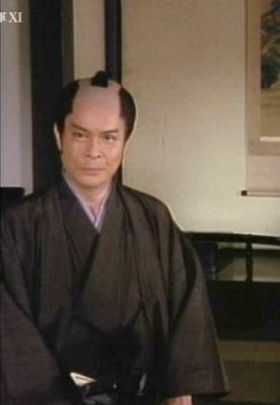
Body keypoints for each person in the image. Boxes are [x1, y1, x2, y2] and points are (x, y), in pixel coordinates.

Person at [0, 71, 228, 404]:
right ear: (59, 136)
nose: (94, 151)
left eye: (109, 137)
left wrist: (181, 387)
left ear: (126, 143)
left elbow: (186, 309)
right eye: (80, 135)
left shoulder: (152, 217)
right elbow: (12, 336)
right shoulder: (18, 224)